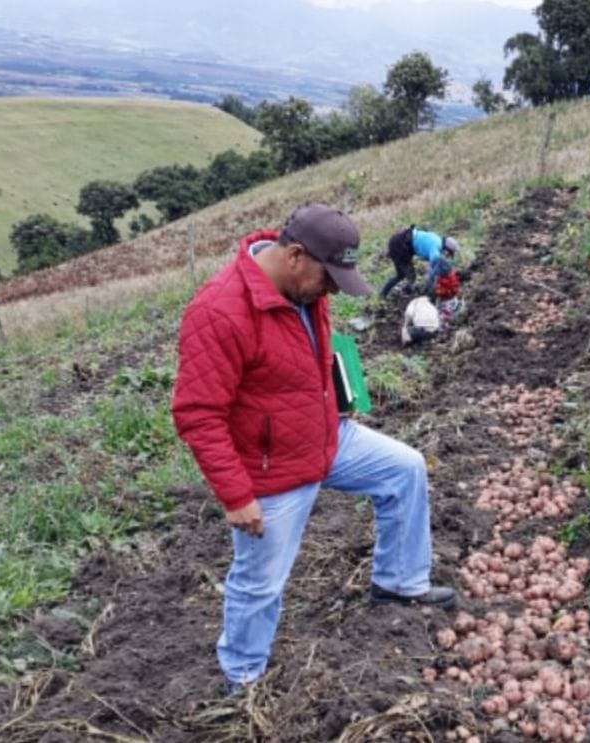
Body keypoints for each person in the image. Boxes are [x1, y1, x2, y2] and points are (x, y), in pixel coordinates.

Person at [171, 203, 456, 695]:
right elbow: (198, 414)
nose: (333, 291)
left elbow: (315, 358)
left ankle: (398, 583)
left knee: (405, 469)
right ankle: (243, 680)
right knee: (260, 582)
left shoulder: (304, 289)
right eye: (330, 278)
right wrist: (236, 495)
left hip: (325, 437)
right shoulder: (219, 311)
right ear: (295, 256)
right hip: (271, 467)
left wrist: (340, 401)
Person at [379, 225, 459, 299]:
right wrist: (429, 291)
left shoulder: (436, 239)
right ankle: (406, 295)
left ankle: (384, 294)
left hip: (398, 240)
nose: (447, 255)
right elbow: (433, 271)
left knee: (401, 275)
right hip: (400, 245)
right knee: (410, 276)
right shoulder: (435, 248)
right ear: (446, 249)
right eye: (449, 253)